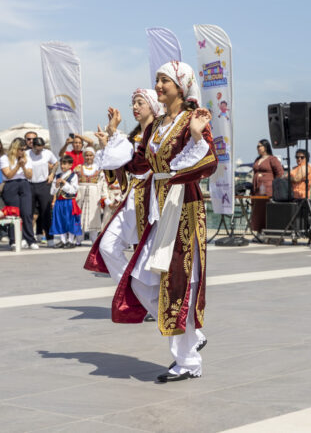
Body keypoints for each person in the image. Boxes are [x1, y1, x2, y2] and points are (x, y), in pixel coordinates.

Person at [95, 61, 217, 382]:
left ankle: (188, 360)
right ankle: (189, 341)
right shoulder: (157, 124)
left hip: (183, 206)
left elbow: (208, 163)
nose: (159, 85)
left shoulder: (195, 119)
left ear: (181, 86)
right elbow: (138, 164)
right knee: (140, 280)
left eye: (165, 81)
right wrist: (114, 138)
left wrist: (195, 136)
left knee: (180, 281)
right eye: (158, 80)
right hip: (158, 207)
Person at [86, 88, 163, 283]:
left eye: (140, 103)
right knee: (107, 245)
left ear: (153, 106)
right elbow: (117, 175)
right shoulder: (132, 139)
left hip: (153, 198)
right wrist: (108, 144)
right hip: (132, 199)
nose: (135, 107)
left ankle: (148, 298)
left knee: (149, 254)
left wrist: (113, 136)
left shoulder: (160, 135)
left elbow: (146, 165)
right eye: (134, 103)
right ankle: (134, 290)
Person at [0, 139, 40, 250]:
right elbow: (8, 175)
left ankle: (30, 239)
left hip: (24, 184)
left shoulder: (27, 158)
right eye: (21, 149)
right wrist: (18, 165)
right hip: (10, 185)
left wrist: (23, 166)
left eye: (24, 149)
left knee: (27, 213)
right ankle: (14, 240)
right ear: (15, 149)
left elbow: (29, 175)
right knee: (14, 214)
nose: (23, 152)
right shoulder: (5, 158)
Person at [25, 137, 59, 245]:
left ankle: (50, 238)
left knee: (46, 212)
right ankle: (27, 238)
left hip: (44, 184)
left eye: (41, 149)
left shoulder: (47, 153)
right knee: (28, 213)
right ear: (32, 146)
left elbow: (56, 163)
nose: (39, 151)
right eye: (37, 149)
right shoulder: (26, 153)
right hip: (29, 184)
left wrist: (52, 174)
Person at [250, 139, 284, 236]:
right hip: (257, 189)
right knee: (258, 211)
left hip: (267, 189)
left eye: (259, 146)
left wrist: (274, 185)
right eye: (257, 146)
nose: (258, 148)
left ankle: (268, 231)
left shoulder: (272, 159)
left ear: (265, 147)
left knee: (266, 211)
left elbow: (280, 173)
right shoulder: (257, 159)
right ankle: (259, 231)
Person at [50, 155, 82, 248]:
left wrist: (64, 183)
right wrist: (56, 185)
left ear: (70, 165)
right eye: (61, 164)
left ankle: (71, 240)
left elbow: (73, 190)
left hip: (69, 202)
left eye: (65, 164)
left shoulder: (73, 176)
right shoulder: (57, 176)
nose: (62, 166)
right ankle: (63, 240)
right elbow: (52, 192)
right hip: (59, 202)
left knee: (70, 221)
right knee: (60, 220)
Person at [76, 146, 105, 239]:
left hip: (94, 194)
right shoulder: (78, 168)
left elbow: (102, 183)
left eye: (90, 155)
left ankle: (93, 238)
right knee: (79, 215)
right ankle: (79, 239)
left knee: (94, 216)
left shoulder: (98, 168)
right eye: (86, 155)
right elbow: (74, 181)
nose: (88, 157)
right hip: (81, 194)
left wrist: (100, 195)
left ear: (94, 156)